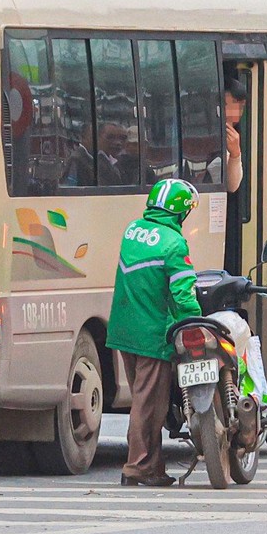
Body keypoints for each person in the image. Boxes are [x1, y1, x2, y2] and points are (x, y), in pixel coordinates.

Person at [106, 179, 203, 488]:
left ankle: (153, 465)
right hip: (152, 333)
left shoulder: (133, 230)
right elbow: (183, 294)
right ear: (180, 212)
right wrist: (195, 323)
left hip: (124, 328)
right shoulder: (174, 244)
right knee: (150, 404)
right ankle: (138, 467)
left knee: (140, 398)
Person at [221, 76, 247, 194]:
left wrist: (235, 155)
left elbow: (233, 185)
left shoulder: (232, 137)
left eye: (241, 107)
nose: (238, 111)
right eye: (234, 104)